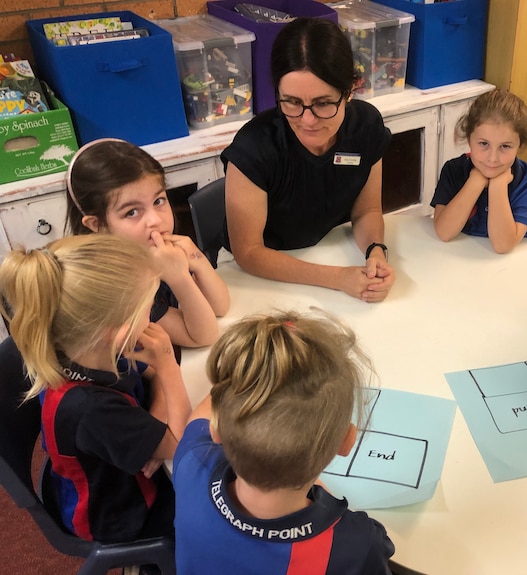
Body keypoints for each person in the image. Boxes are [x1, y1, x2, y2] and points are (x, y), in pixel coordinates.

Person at [0, 234, 191, 543]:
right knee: (213, 507)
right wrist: (169, 364)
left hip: (107, 473)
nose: (152, 315)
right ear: (119, 331)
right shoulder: (92, 409)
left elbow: (151, 376)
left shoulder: (80, 345)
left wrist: (156, 428)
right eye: (149, 305)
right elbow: (181, 446)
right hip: (118, 516)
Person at [172, 310, 395, 574]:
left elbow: (198, 421)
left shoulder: (193, 464)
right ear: (346, 443)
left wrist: (253, 370)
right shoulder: (356, 542)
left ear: (216, 431)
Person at [221, 17, 395, 302]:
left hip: (329, 250)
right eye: (291, 102)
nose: (307, 120)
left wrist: (375, 252)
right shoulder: (255, 147)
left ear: (349, 91)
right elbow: (249, 253)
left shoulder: (365, 128)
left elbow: (366, 212)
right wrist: (337, 278)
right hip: (260, 277)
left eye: (323, 103)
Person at [65, 138, 230, 348]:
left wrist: (196, 259)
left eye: (158, 201)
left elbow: (220, 307)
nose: (155, 220)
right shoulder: (115, 283)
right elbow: (203, 336)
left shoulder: (152, 250)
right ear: (96, 224)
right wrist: (179, 278)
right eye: (132, 212)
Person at [431, 89, 527, 254]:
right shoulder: (453, 170)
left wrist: (498, 185)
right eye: (484, 144)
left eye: (505, 146)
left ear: (519, 145)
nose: (492, 158)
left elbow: (502, 246)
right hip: (458, 259)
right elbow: (444, 233)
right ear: (469, 139)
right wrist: (475, 181)